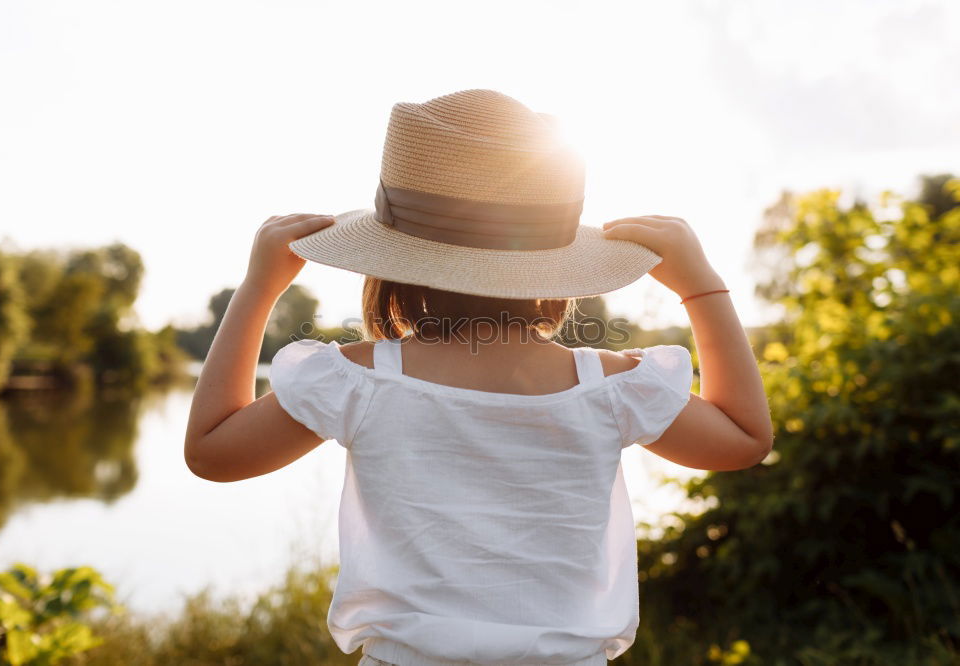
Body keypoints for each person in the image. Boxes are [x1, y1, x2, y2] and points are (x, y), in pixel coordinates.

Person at [184, 89, 773, 666]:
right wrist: (702, 287)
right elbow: (744, 437)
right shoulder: (611, 386)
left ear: (391, 264)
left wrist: (259, 288)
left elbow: (213, 451)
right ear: (552, 264)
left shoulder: (358, 380)